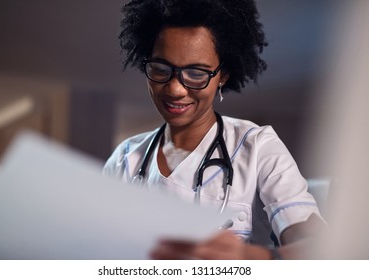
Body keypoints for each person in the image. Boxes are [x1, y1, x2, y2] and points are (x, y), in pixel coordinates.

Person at [104, 0, 326, 259]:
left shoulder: (258, 147)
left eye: (196, 73)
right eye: (161, 69)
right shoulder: (125, 159)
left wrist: (251, 257)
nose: (175, 89)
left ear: (223, 75)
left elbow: (318, 249)